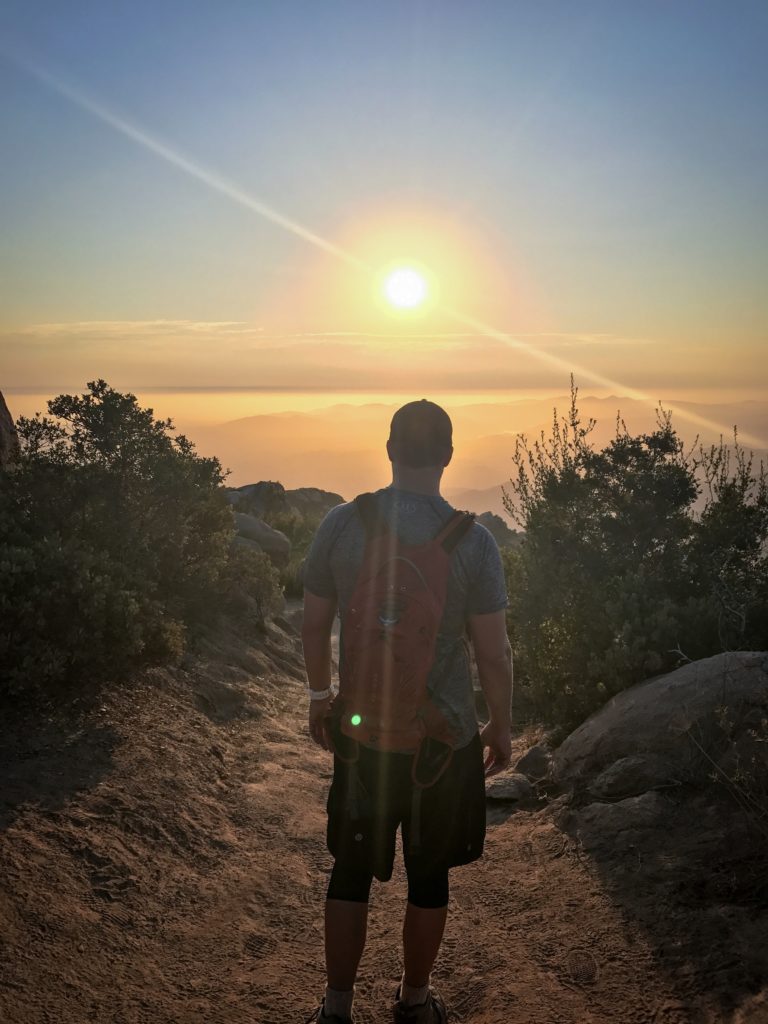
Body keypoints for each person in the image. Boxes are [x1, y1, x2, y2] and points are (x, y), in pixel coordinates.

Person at [302, 399, 513, 1024]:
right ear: (448, 456)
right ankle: (415, 1003)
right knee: (429, 877)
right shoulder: (473, 542)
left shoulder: (342, 524)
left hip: (362, 734)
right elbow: (494, 652)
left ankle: (336, 1008)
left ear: (389, 449)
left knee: (350, 870)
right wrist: (499, 725)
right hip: (442, 743)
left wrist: (321, 699)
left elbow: (314, 627)